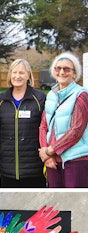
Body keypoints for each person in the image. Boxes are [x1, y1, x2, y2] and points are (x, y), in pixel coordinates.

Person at [0, 59, 47, 187]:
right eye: (14, 72)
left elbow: (46, 129)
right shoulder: (2, 99)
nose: (17, 76)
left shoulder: (40, 98)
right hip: (7, 168)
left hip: (34, 168)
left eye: (21, 72)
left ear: (29, 75)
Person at [40, 52, 88, 188]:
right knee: (57, 205)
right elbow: (43, 126)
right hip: (53, 161)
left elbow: (76, 131)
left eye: (66, 69)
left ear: (74, 74)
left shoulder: (81, 95)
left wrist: (50, 150)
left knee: (76, 206)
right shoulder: (51, 95)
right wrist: (46, 154)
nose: (61, 72)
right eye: (58, 68)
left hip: (76, 161)